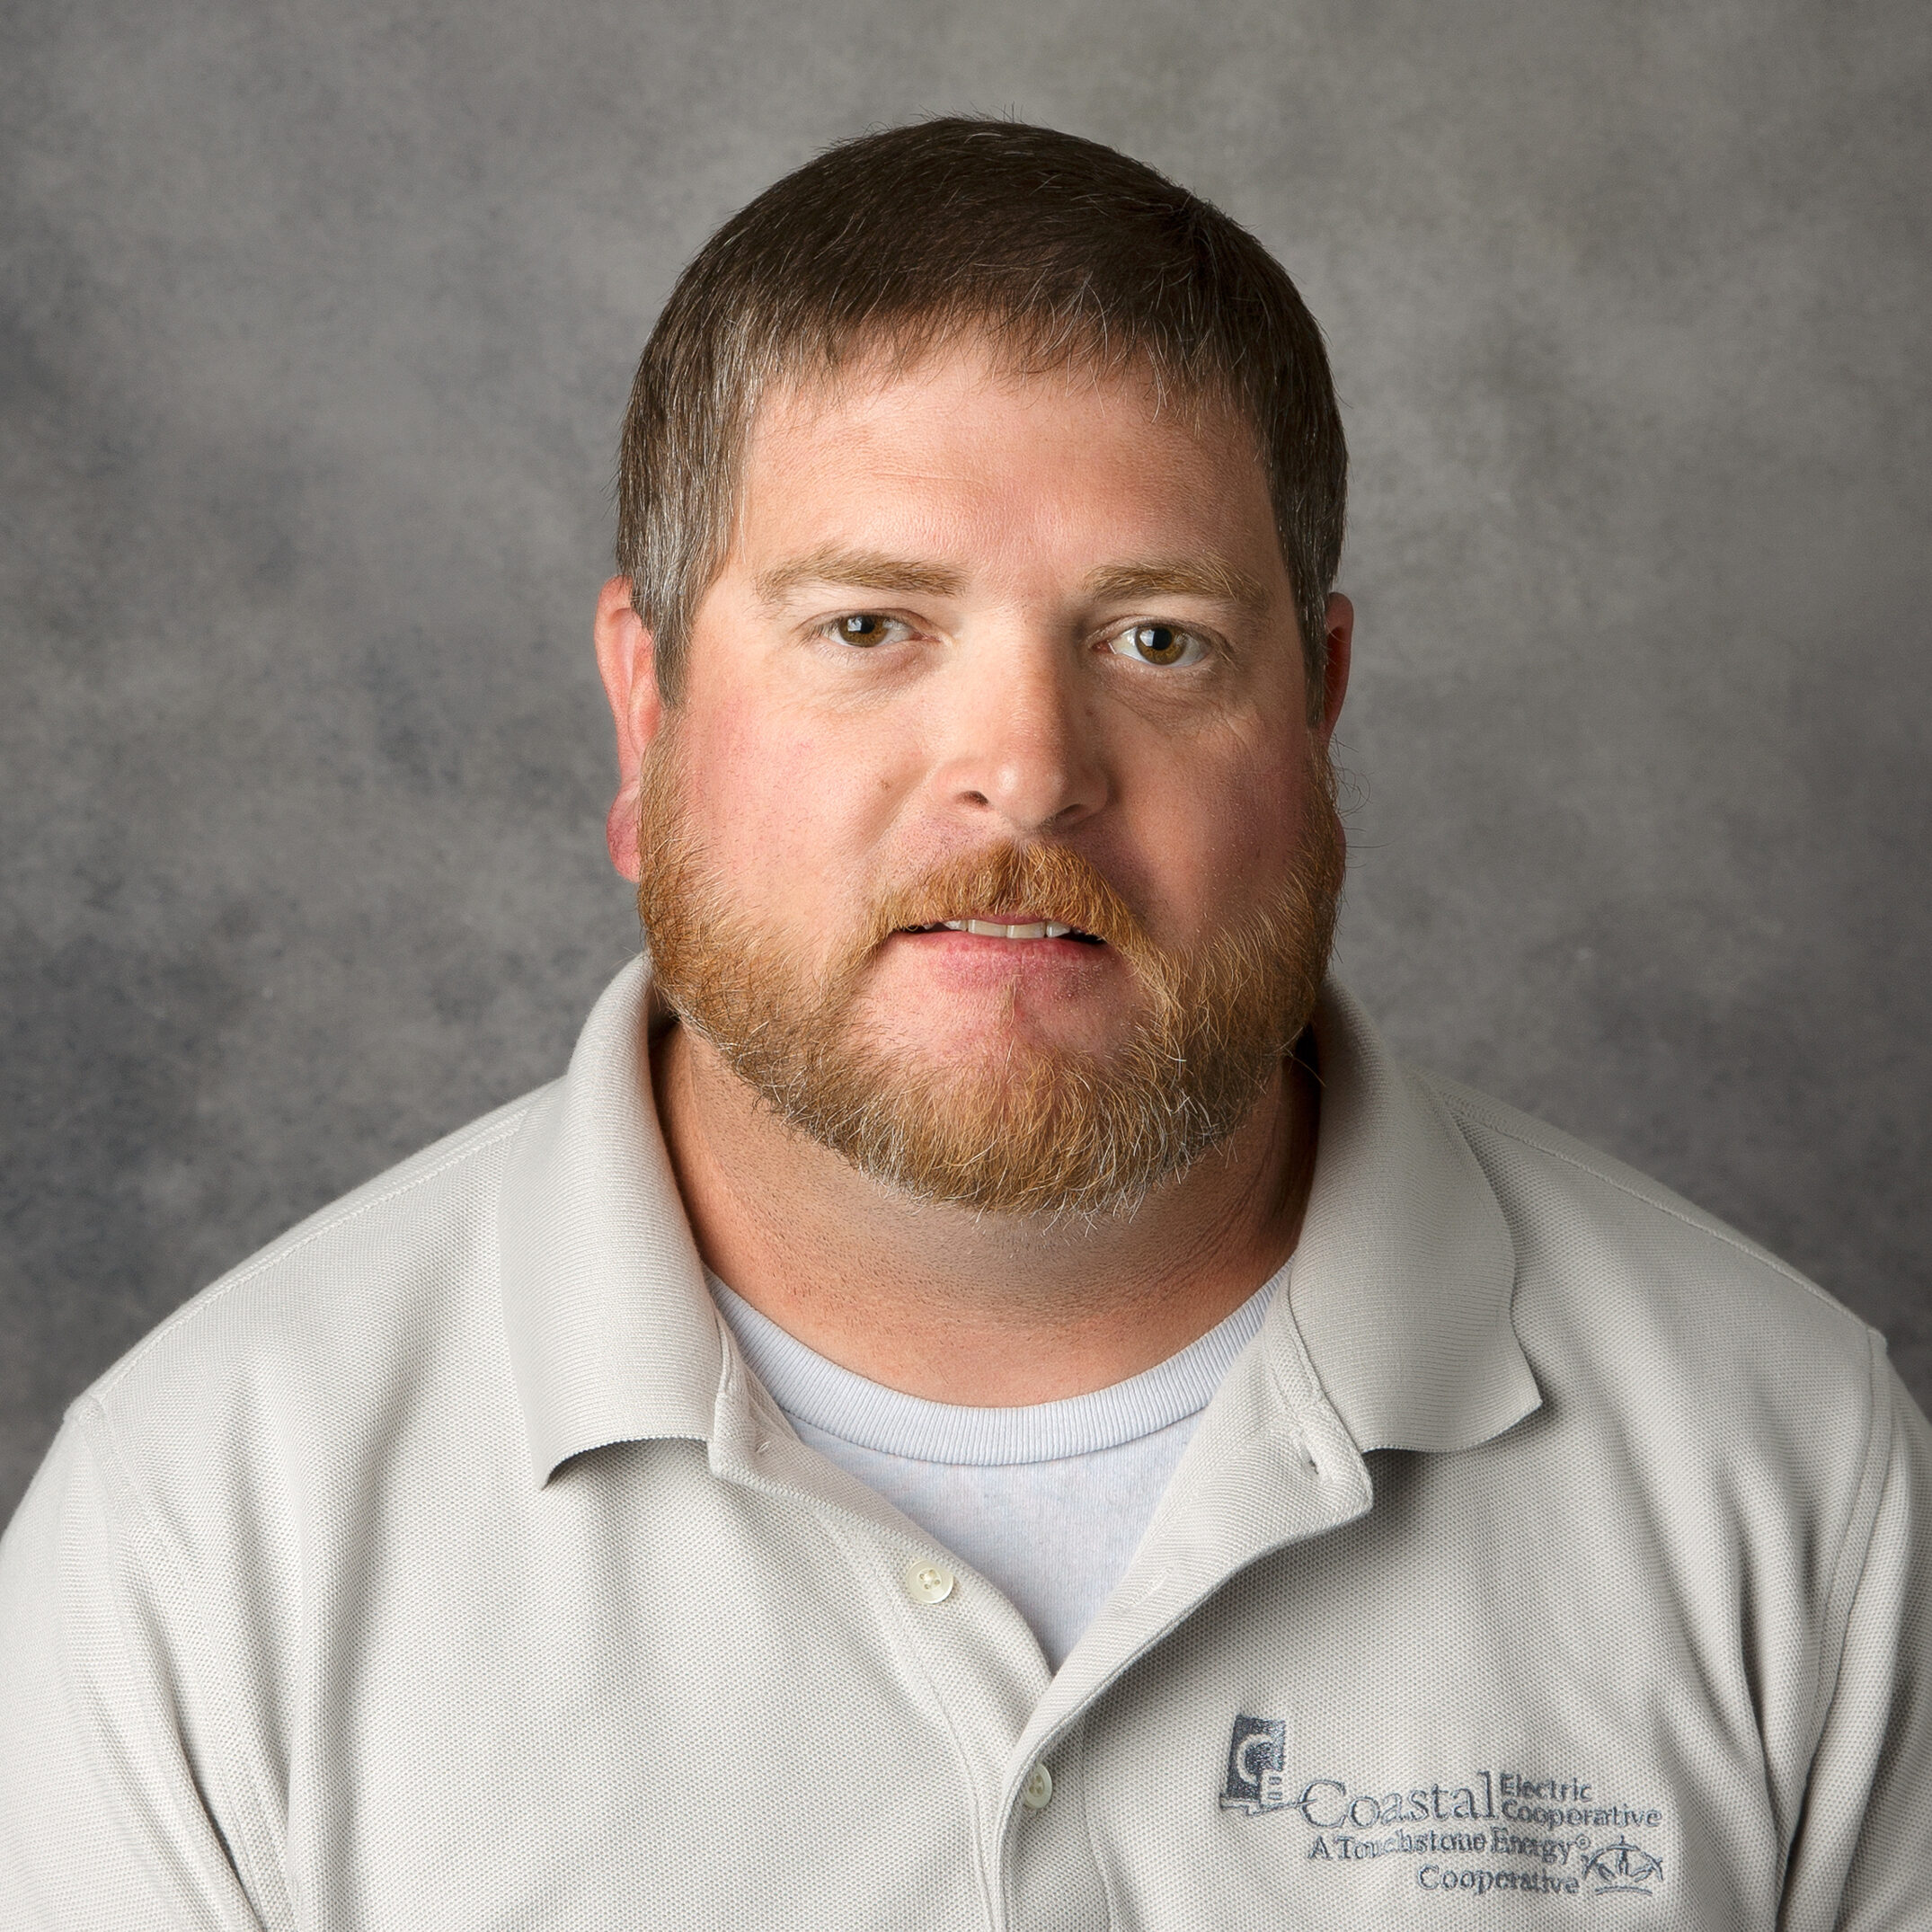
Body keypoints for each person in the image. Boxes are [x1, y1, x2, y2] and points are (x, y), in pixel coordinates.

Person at [1, 118, 1926, 1930]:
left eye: (1155, 638)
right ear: (644, 712)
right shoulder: (199, 1528)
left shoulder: (1796, 1475)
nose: (1023, 771)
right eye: (869, 628)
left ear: (1316, 713)